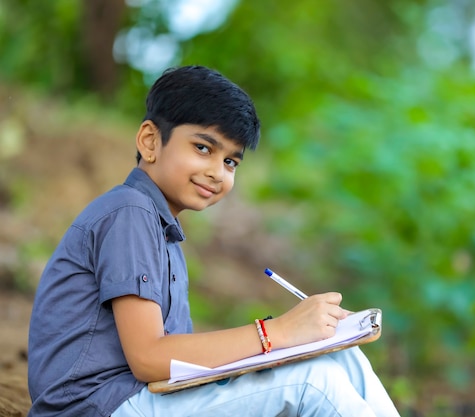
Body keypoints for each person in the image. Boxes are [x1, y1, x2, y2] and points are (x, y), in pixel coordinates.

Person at [27, 66, 400, 417]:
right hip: (96, 406)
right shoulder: (129, 212)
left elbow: (177, 366)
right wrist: (278, 333)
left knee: (343, 357)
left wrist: (293, 343)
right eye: (203, 148)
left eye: (231, 162)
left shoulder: (164, 234)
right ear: (150, 140)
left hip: (138, 399)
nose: (216, 172)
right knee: (313, 382)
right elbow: (148, 358)